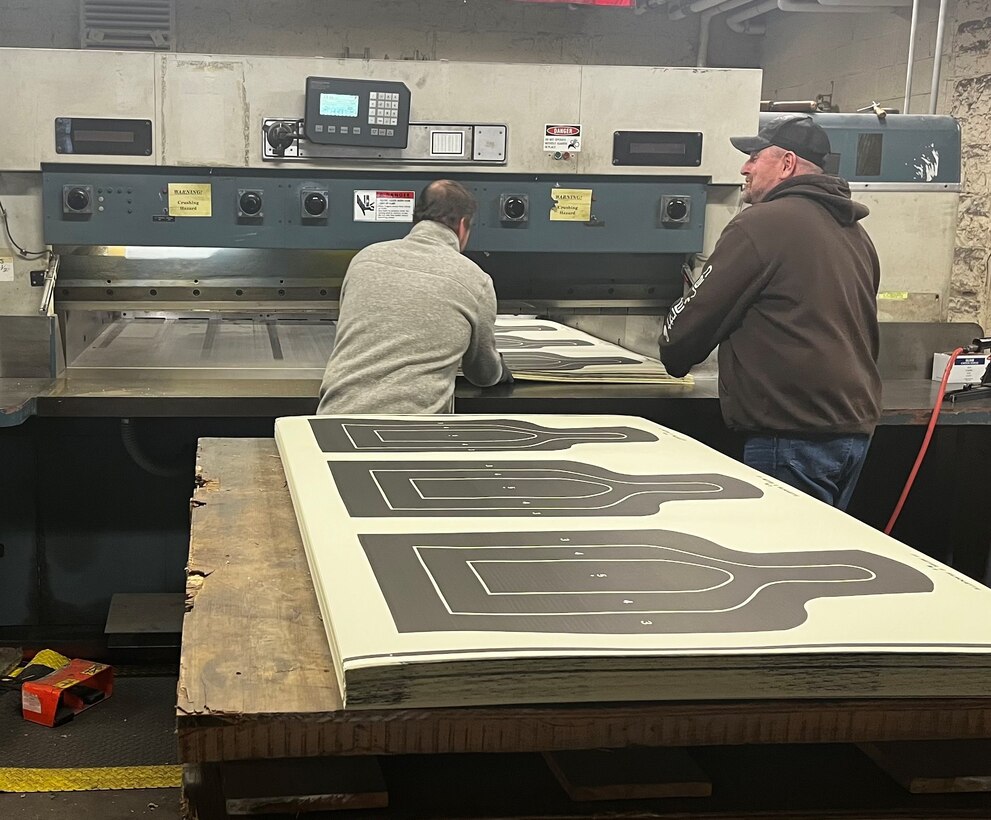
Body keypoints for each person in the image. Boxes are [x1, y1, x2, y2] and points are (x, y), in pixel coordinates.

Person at [658, 114, 881, 510]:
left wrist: (672, 341)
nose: (744, 168)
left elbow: (686, 334)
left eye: (754, 157)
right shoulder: (854, 232)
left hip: (790, 435)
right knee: (814, 559)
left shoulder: (761, 224)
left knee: (784, 562)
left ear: (787, 163)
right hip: (850, 432)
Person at [317, 179, 511, 415]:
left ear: (416, 217)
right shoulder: (475, 280)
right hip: (411, 437)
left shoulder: (364, 259)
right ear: (462, 226)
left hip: (332, 423)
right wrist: (500, 371)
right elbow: (482, 373)